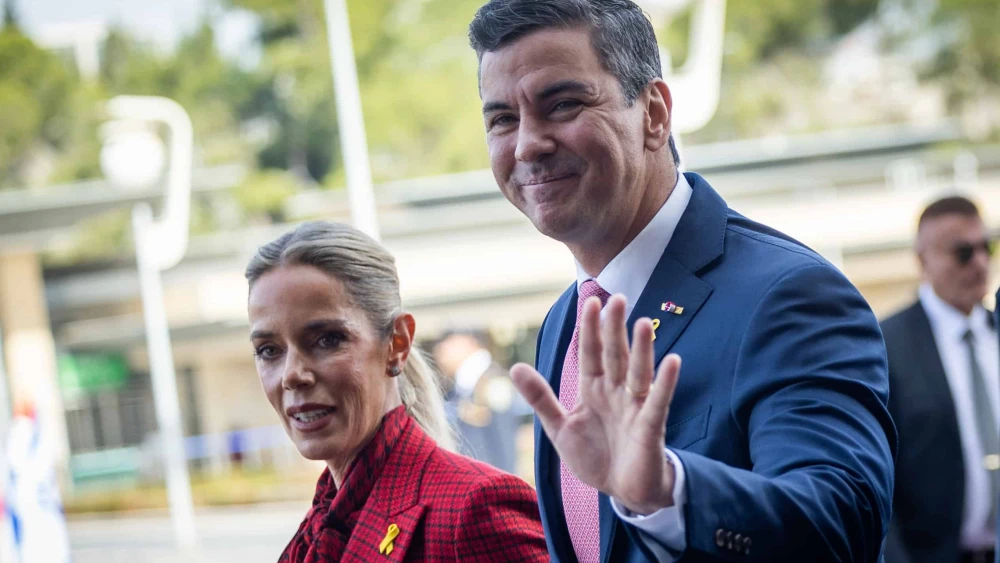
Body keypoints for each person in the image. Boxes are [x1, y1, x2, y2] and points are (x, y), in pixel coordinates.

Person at [468, 1, 897, 561]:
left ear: (653, 113)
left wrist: (669, 492)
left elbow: (842, 522)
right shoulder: (564, 324)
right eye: (502, 119)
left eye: (563, 104)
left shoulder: (789, 295)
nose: (527, 144)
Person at [244, 221, 548, 563]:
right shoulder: (321, 523)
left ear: (397, 344)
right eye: (268, 350)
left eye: (327, 339)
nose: (292, 375)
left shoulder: (475, 508)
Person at [882, 196, 998, 563]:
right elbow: (876, 478)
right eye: (962, 252)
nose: (979, 262)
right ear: (923, 260)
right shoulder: (886, 346)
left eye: (986, 247)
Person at [433, 330, 532, 474]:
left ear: (469, 341)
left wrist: (505, 492)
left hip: (492, 488)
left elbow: (504, 448)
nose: (440, 350)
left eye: (448, 341)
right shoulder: (461, 387)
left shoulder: (492, 382)